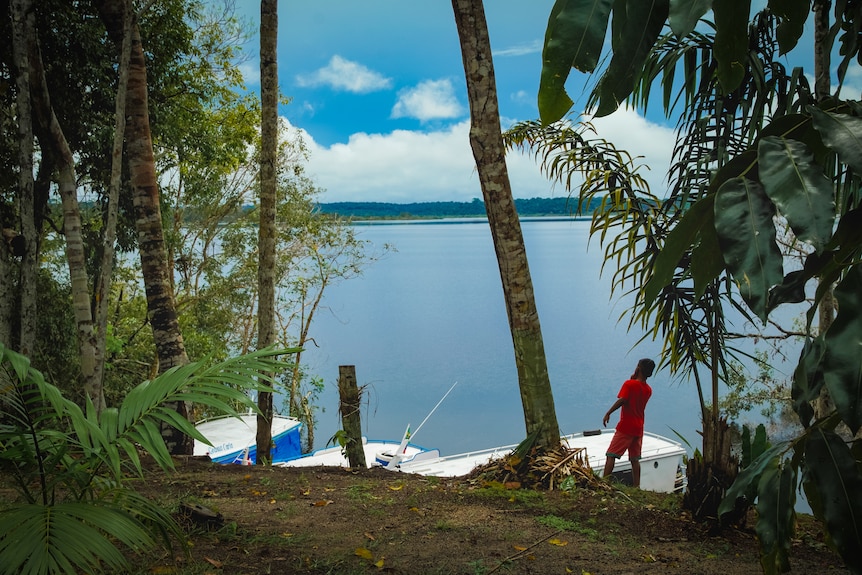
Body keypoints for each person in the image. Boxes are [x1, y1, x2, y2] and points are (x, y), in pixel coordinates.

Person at [602, 358, 655, 488]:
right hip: (639, 427)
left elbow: (623, 400)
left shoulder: (629, 384)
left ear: (639, 368)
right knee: (635, 459)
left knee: (611, 454)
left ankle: (604, 483)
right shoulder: (648, 389)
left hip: (626, 426)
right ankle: (637, 486)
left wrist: (608, 412)